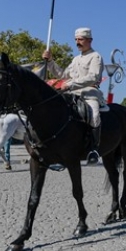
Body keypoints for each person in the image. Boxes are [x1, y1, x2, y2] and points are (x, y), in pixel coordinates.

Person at [43, 27, 104, 165]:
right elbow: (62, 75)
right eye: (76, 39)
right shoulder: (76, 59)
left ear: (89, 40)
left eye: (81, 39)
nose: (77, 42)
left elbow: (93, 77)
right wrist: (51, 61)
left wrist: (71, 85)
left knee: (94, 116)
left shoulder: (96, 57)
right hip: (71, 92)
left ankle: (93, 149)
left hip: (89, 92)